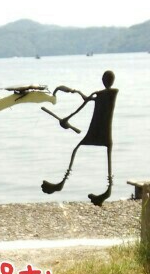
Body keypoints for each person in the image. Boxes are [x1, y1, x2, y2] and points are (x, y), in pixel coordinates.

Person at [41, 71, 118, 206]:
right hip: (103, 131)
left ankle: (62, 184)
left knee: (77, 149)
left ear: (104, 81)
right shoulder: (109, 94)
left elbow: (81, 107)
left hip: (97, 130)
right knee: (105, 156)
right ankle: (108, 190)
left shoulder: (99, 94)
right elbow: (86, 101)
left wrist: (66, 119)